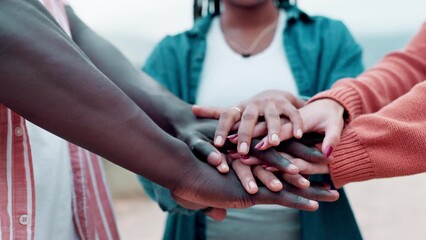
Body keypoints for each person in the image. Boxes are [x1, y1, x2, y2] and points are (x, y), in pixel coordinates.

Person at [0, 1, 339, 239]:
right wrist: (182, 175)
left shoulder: (328, 37)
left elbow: (346, 126)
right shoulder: (174, 50)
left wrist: (181, 122)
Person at [139, 0, 363, 239]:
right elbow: (145, 151)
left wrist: (296, 110)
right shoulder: (172, 53)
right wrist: (185, 189)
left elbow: (357, 125)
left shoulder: (328, 37)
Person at [198, 23, 426, 188]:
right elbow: (414, 63)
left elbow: (332, 133)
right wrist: (336, 100)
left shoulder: (329, 36)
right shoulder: (173, 49)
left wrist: (345, 146)